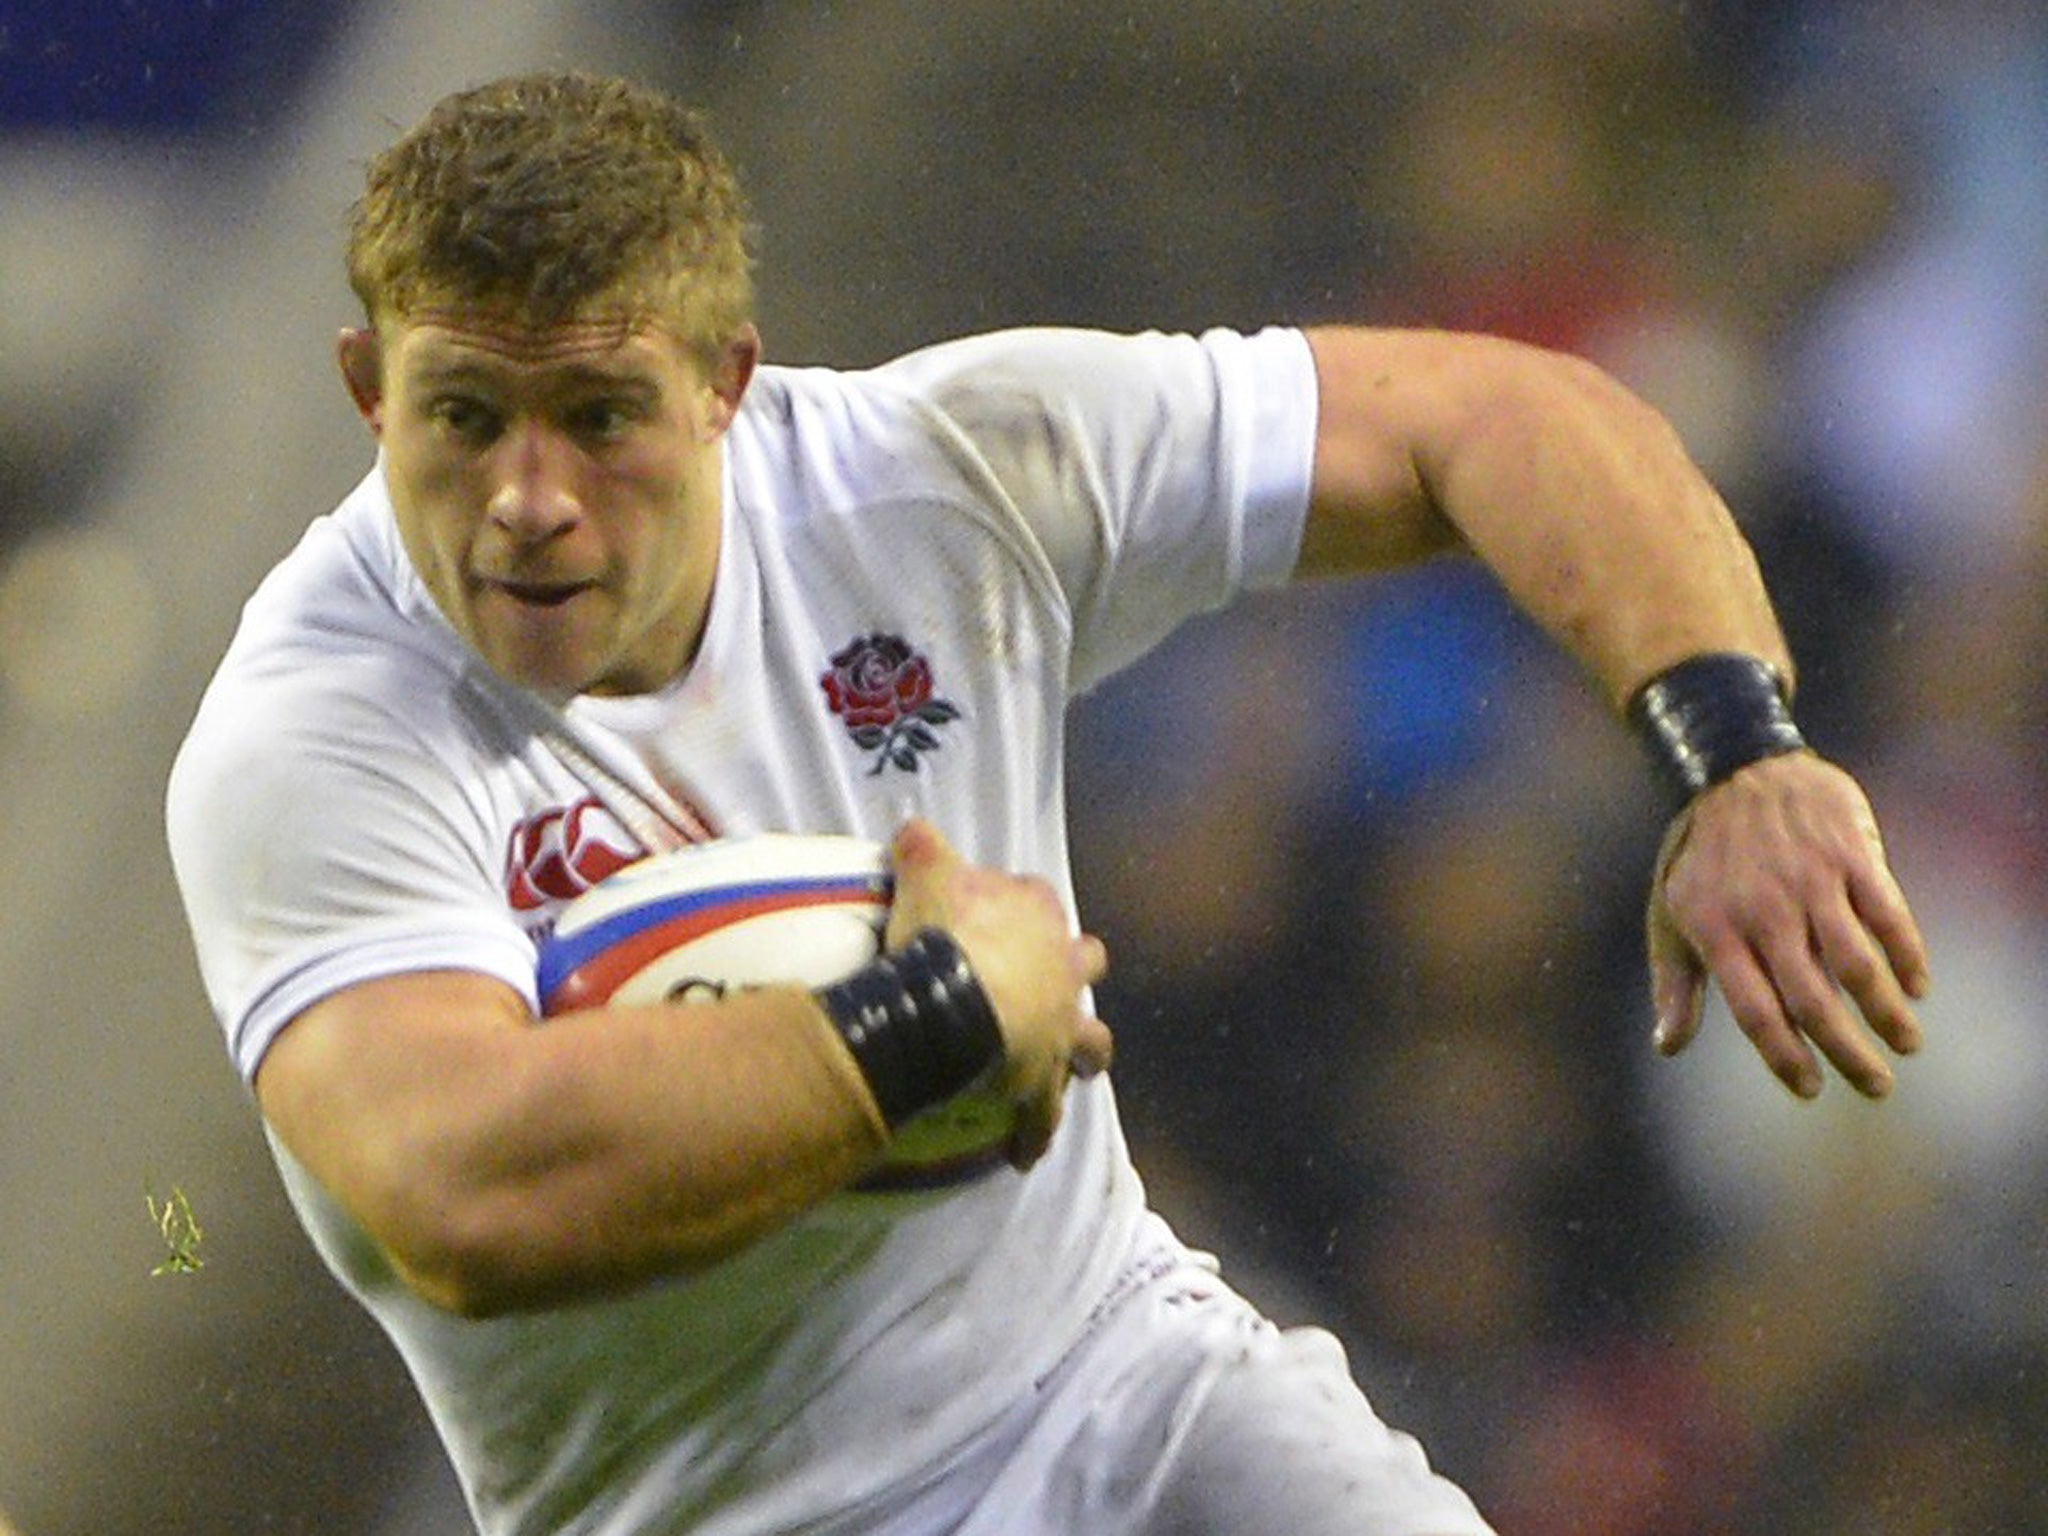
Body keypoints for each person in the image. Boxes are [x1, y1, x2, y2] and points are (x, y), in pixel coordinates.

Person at [164, 70, 1928, 1536]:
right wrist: (943, 1017)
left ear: (726, 384)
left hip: (1119, 1391)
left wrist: (1738, 752)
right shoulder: (314, 729)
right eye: (462, 415)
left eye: (598, 415)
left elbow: (1509, 416)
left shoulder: (944, 475)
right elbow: (457, 1192)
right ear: (363, 388)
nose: (526, 499)